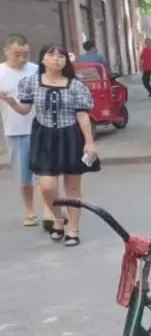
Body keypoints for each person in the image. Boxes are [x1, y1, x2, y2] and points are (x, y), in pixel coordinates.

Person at [0, 42, 98, 246]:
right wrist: (11, 102)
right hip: (43, 137)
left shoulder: (76, 85)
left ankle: (73, 229)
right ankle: (58, 218)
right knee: (46, 186)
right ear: (43, 59)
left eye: (61, 56)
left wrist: (89, 142)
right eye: (51, 54)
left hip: (70, 136)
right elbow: (25, 110)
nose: (56, 59)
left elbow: (82, 116)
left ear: (66, 61)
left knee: (72, 187)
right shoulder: (31, 82)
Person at [0, 33, 52, 230]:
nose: (22, 59)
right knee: (24, 176)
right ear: (6, 51)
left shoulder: (36, 70)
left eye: (26, 54)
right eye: (17, 54)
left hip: (40, 128)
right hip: (15, 131)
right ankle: (30, 211)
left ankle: (49, 210)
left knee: (45, 174)